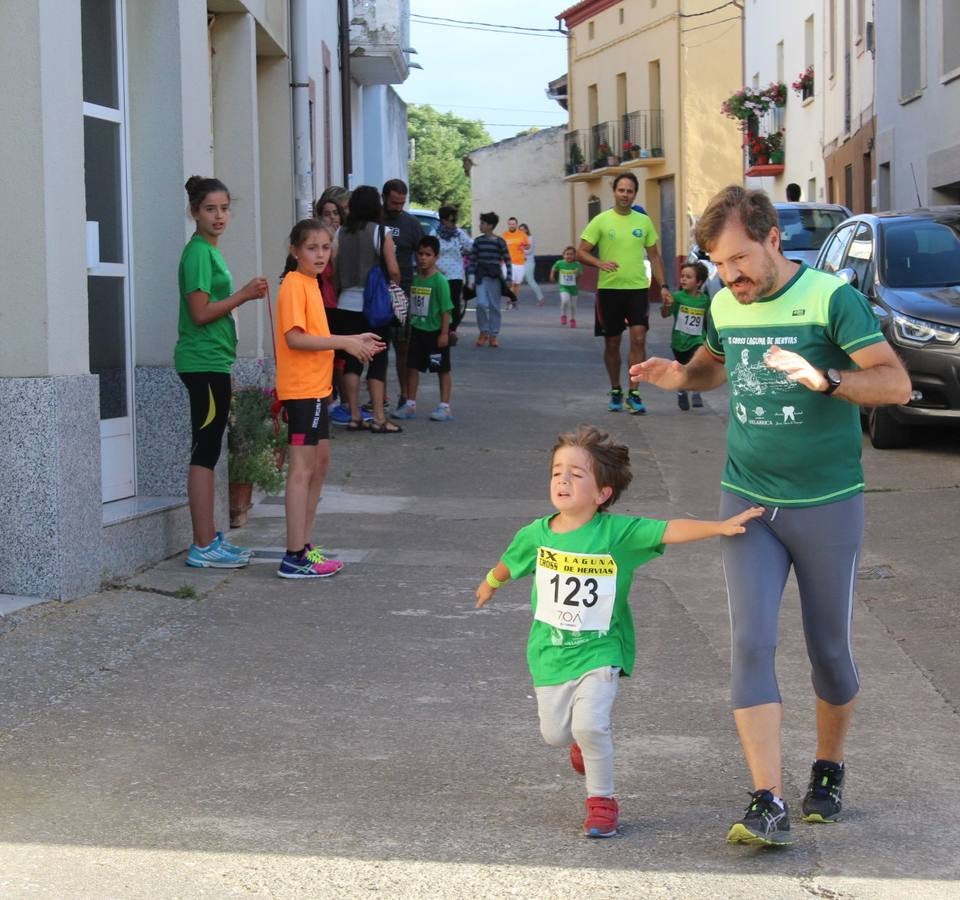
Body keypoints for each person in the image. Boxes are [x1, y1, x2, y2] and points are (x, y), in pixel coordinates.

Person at [631, 185, 911, 846]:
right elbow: (712, 367)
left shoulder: (829, 299)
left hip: (826, 503)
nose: (730, 276)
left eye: (738, 260)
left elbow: (894, 383)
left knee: (830, 652)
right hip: (748, 500)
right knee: (751, 643)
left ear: (773, 240)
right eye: (719, 265)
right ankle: (767, 798)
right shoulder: (727, 304)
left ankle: (829, 767)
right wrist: (680, 376)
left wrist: (827, 379)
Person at [475, 425, 763, 838]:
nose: (563, 479)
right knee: (555, 734)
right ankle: (578, 744)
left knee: (592, 724)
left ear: (602, 493)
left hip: (602, 650)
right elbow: (511, 561)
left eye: (576, 474)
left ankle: (602, 802)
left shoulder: (617, 535)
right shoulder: (535, 534)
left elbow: (668, 529)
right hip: (550, 653)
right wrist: (491, 582)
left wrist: (719, 527)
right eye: (558, 471)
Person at [274, 219, 384, 578]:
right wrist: (345, 342)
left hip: (318, 389)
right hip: (302, 391)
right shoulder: (293, 285)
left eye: (325, 247)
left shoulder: (312, 283)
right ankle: (293, 556)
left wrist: (355, 338)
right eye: (312, 248)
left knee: (319, 467)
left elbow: (316, 334)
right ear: (295, 251)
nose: (320, 254)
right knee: (302, 471)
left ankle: (304, 546)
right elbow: (295, 339)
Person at [175, 175, 268, 568]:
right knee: (205, 450)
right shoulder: (198, 253)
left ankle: (209, 538)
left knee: (211, 448)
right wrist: (244, 295)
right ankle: (201, 546)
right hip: (202, 362)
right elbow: (199, 314)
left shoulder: (210, 251)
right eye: (210, 209)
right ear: (194, 212)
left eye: (224, 208)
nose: (219, 216)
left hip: (214, 362)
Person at [578, 172, 672, 415]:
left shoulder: (643, 222)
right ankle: (616, 388)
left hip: (637, 289)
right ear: (614, 192)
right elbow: (581, 252)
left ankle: (635, 392)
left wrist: (663, 286)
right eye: (621, 190)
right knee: (613, 342)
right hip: (609, 291)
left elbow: (654, 256)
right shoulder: (601, 220)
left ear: (634, 194)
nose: (625, 195)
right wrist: (599, 263)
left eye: (630, 191)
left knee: (639, 338)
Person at [332, 185, 403, 433]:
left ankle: (354, 415)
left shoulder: (340, 232)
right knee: (377, 360)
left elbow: (333, 266)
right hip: (374, 308)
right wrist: (395, 285)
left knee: (352, 361)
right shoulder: (381, 232)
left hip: (345, 304)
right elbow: (393, 269)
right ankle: (379, 418)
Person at [392, 236, 455, 422]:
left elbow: (446, 309)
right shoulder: (416, 279)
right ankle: (410, 404)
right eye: (420, 254)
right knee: (411, 366)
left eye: (428, 254)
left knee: (441, 369)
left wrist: (444, 333)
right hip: (417, 331)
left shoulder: (440, 281)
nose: (423, 258)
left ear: (436, 256)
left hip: (435, 334)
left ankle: (445, 406)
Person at [382, 179, 424, 407]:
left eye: (401, 202)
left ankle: (405, 395)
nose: (398, 206)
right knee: (378, 349)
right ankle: (382, 397)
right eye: (394, 202)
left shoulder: (411, 223)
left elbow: (422, 256)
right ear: (384, 197)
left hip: (404, 294)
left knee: (403, 350)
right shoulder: (375, 221)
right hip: (378, 294)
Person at [660, 260, 710, 410]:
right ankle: (682, 390)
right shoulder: (677, 297)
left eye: (688, 277)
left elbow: (708, 320)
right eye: (682, 276)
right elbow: (665, 314)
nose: (683, 279)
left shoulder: (704, 300)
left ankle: (696, 391)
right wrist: (667, 304)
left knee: (697, 363)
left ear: (699, 282)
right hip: (679, 341)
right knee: (682, 368)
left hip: (698, 339)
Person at [471, 212, 511, 348]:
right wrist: (471, 277)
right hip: (481, 276)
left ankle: (493, 335)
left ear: (490, 226)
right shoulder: (478, 241)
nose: (480, 225)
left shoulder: (500, 242)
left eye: (482, 223)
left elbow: (507, 259)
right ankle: (483, 331)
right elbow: (472, 260)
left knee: (494, 306)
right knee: (481, 304)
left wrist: (509, 277)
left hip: (495, 277)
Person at [435, 205, 473, 339]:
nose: (454, 224)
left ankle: (452, 329)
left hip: (455, 273)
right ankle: (440, 327)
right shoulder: (435, 235)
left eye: (455, 220)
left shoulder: (459, 233)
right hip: (439, 273)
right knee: (440, 302)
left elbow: (471, 245)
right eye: (451, 220)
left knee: (454, 303)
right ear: (443, 220)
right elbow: (429, 251)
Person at [550, 246, 583, 327]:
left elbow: (580, 274)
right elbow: (554, 268)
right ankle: (563, 315)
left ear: (574, 255)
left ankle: (572, 319)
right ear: (563, 255)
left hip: (574, 287)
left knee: (573, 305)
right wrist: (552, 276)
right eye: (567, 254)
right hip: (563, 286)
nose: (569, 256)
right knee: (565, 300)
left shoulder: (577, 264)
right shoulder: (560, 263)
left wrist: (577, 277)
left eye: (571, 254)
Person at [501, 217, 529, 307]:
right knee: (511, 283)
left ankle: (514, 300)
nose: (511, 225)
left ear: (516, 225)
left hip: (520, 263)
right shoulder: (504, 235)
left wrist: (524, 247)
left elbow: (528, 246)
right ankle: (510, 300)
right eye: (510, 224)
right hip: (508, 263)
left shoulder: (522, 234)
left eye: (513, 224)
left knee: (517, 283)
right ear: (508, 225)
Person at [518, 224, 545, 306]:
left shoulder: (530, 238)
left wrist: (520, 249)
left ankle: (541, 299)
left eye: (523, 229)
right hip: (520, 263)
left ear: (526, 230)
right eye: (520, 230)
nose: (521, 231)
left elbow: (528, 251)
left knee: (531, 281)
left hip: (529, 262)